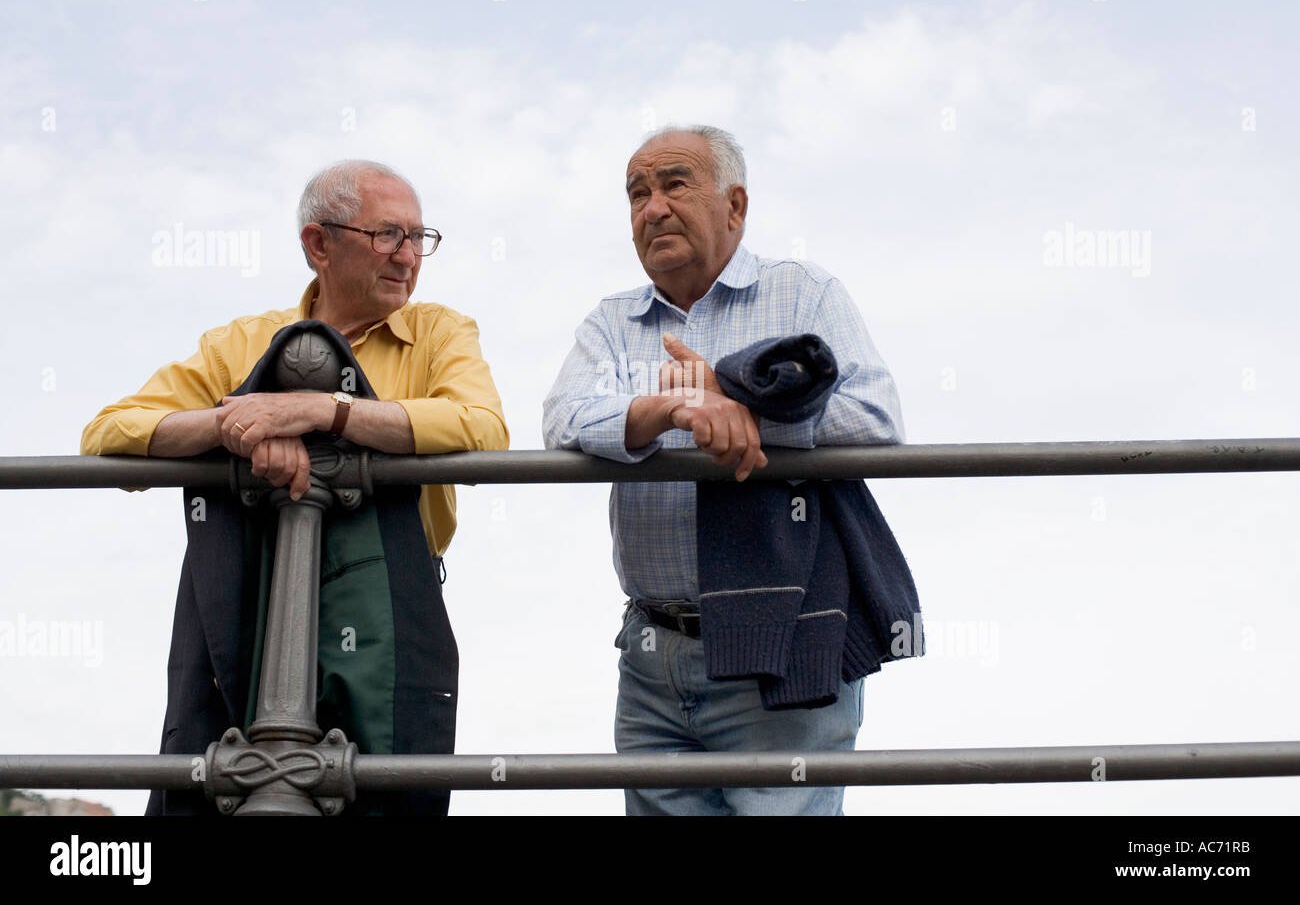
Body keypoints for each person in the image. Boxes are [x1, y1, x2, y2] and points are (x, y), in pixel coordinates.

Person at [82, 159, 509, 814]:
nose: (409, 257)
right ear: (319, 245)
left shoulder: (440, 330)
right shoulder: (240, 342)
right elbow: (109, 432)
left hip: (392, 595)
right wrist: (236, 427)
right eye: (389, 235)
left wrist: (319, 412)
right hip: (244, 584)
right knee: (205, 764)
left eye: (420, 238)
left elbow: (482, 430)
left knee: (396, 781)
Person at [543, 125, 906, 815]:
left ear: (735, 205)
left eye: (674, 184)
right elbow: (564, 418)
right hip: (651, 651)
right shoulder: (612, 321)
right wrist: (674, 409)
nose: (652, 208)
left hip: (785, 643)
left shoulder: (804, 292)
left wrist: (743, 404)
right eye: (636, 194)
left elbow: (876, 418)